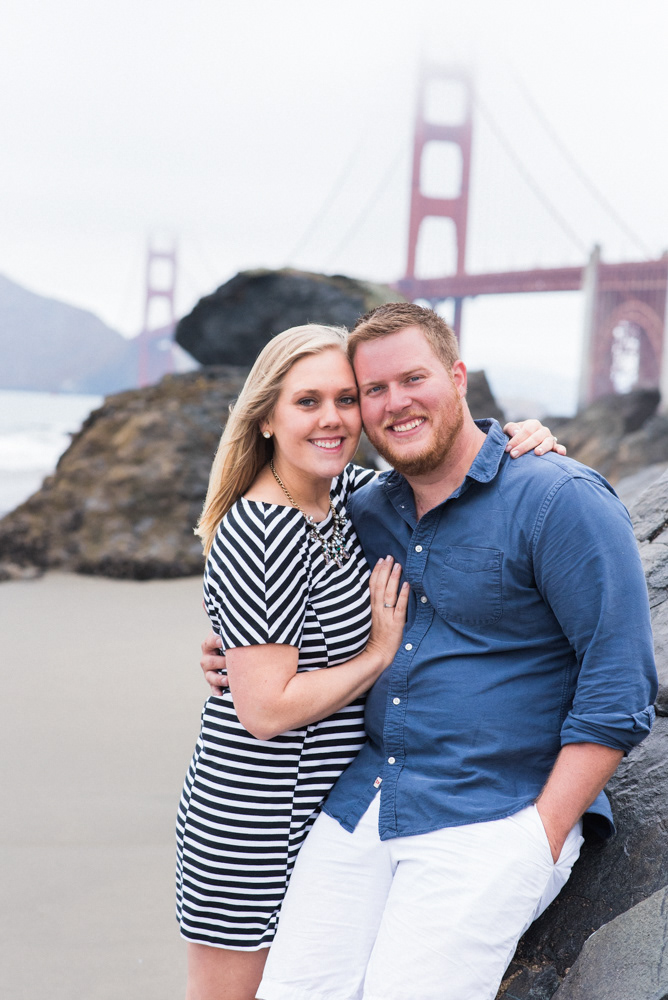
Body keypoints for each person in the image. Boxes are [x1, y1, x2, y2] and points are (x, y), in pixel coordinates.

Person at [236, 303, 657, 1000]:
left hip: (495, 813)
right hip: (366, 802)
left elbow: (620, 685)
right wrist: (233, 649)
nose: (395, 403)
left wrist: (541, 834)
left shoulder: (559, 500)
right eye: (373, 390)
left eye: (414, 379)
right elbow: (290, 588)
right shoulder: (367, 509)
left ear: (457, 378)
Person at [181, 320, 567, 1000]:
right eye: (307, 402)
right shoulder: (258, 528)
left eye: (346, 399)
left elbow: (451, 471)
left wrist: (520, 440)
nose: (332, 419)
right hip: (255, 818)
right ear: (266, 417)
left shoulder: (344, 498)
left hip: (337, 809)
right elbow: (265, 712)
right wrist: (377, 654)